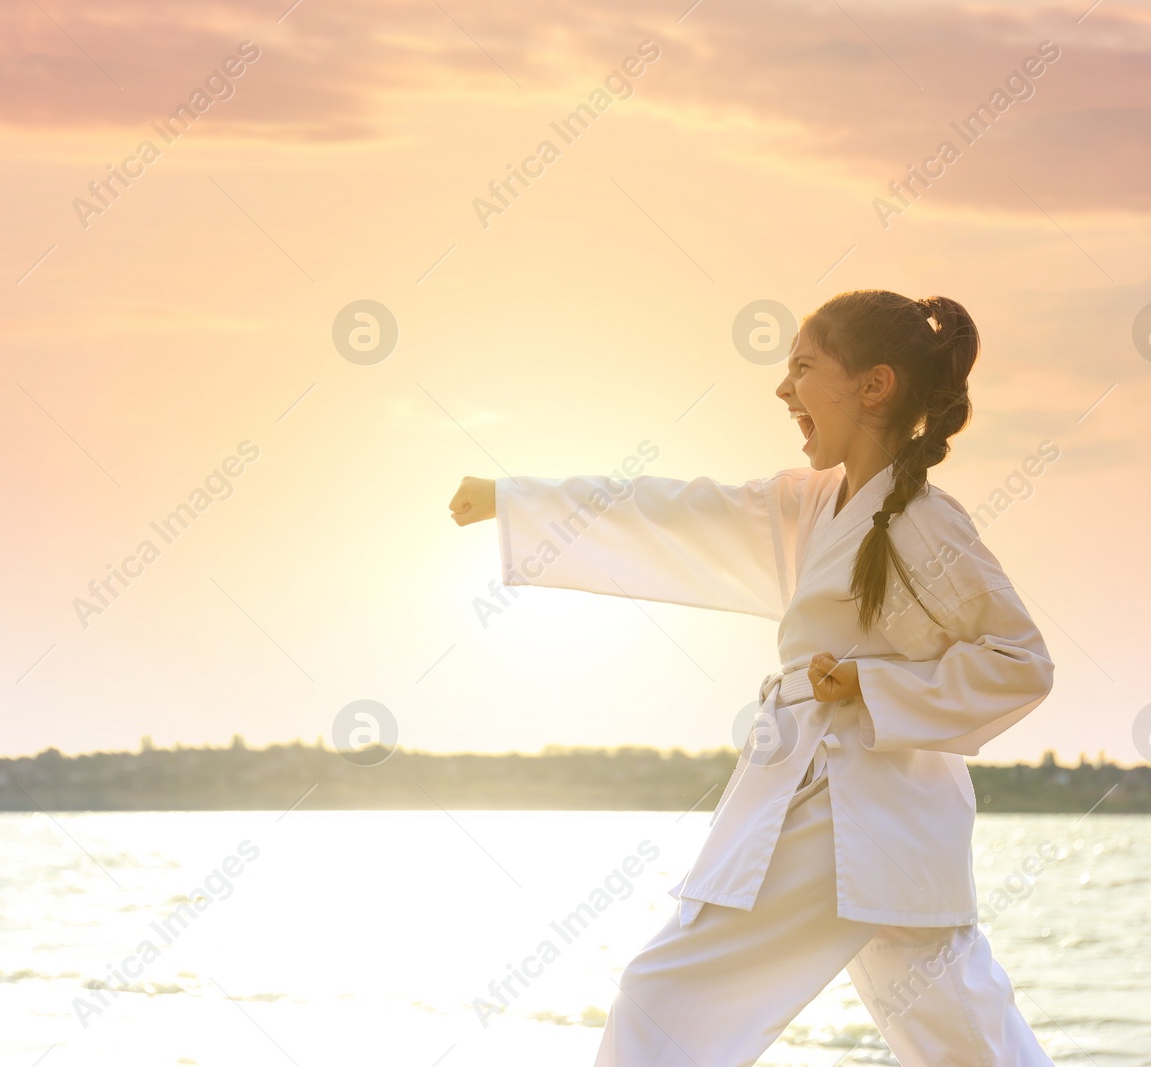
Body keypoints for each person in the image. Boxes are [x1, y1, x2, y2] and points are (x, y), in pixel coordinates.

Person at [448, 289, 1057, 1065]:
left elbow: (1019, 661)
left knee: (662, 1003)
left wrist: (872, 686)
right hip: (886, 819)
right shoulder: (808, 506)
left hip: (847, 806)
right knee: (961, 1030)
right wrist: (520, 502)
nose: (782, 389)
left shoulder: (925, 522)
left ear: (875, 386)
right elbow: (675, 513)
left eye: (802, 367)